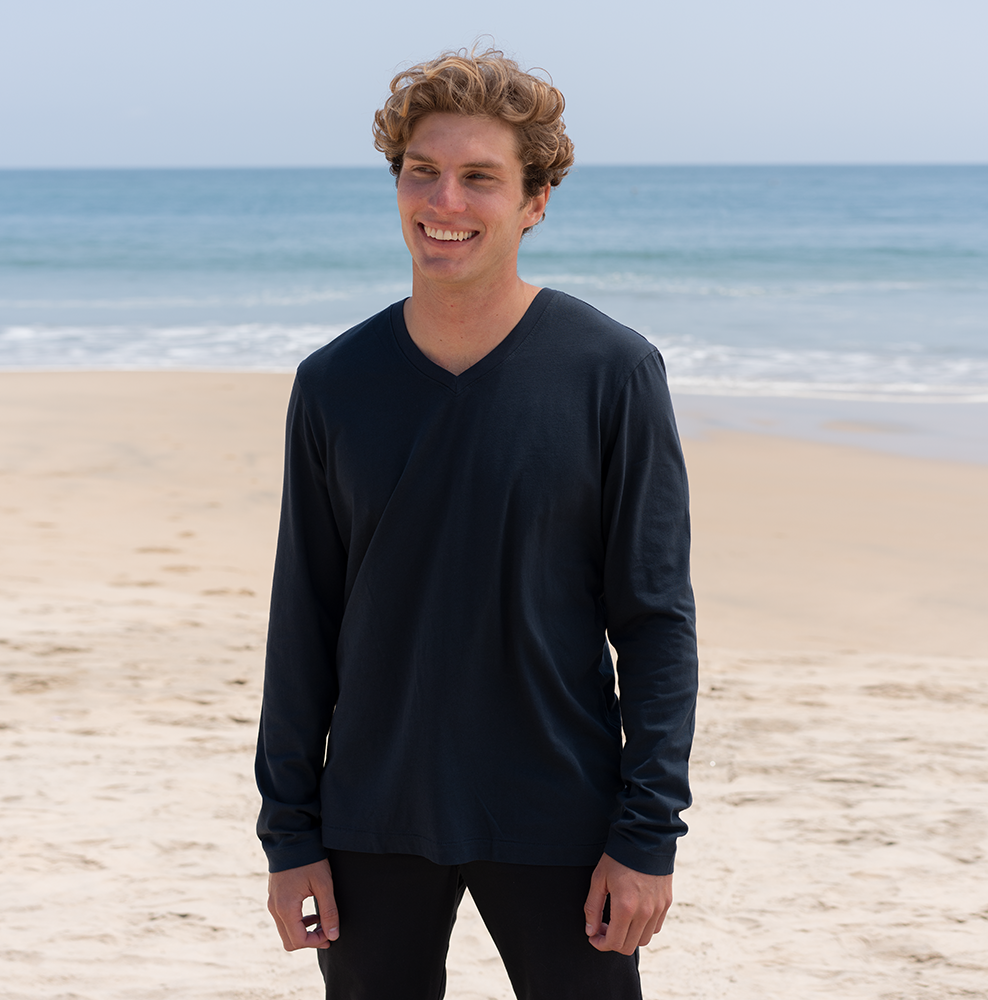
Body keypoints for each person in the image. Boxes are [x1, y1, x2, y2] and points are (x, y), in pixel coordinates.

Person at [255, 47, 698, 1000]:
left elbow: (655, 620)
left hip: (563, 816)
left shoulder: (612, 373)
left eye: (480, 178)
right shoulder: (333, 384)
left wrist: (647, 836)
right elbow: (303, 622)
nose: (443, 201)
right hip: (372, 816)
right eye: (422, 171)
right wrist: (289, 835)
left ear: (536, 202)